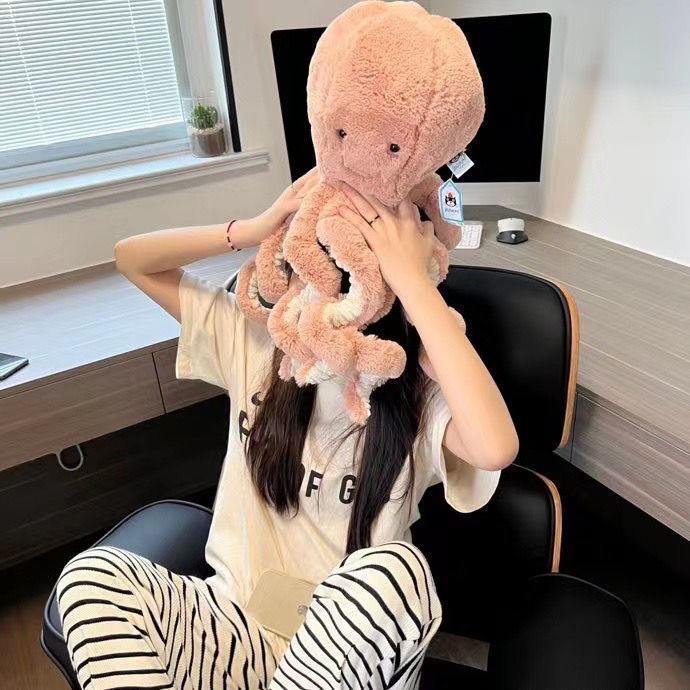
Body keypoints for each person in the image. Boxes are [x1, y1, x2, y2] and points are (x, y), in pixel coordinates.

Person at [56, 169, 519, 690]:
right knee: (90, 578)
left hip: (348, 655)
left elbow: (495, 447)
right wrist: (255, 227)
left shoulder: (414, 388)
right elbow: (132, 260)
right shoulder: (257, 344)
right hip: (233, 629)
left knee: (397, 572)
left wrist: (414, 284)